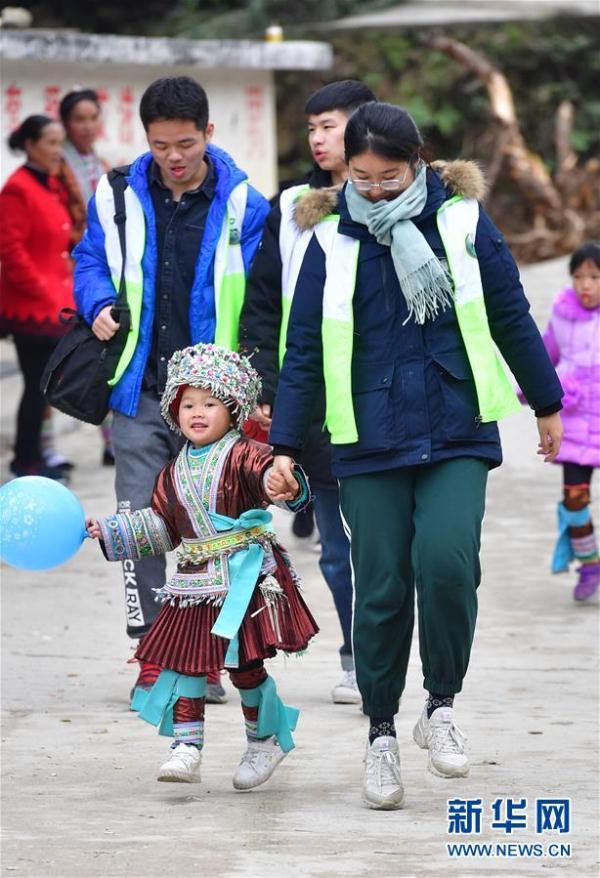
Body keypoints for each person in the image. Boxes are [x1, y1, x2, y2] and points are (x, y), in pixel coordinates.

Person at [268, 102, 564, 809]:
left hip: (454, 421)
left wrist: (547, 405)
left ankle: (440, 706)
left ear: (419, 161)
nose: (371, 189)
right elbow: (303, 347)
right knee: (381, 589)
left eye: (388, 175)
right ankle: (380, 734)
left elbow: (509, 313)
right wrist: (282, 445)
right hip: (366, 435)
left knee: (448, 561)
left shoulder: (461, 221)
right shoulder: (330, 236)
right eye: (360, 177)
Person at [73, 76, 270, 702]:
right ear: (146, 139)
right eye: (160, 146)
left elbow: (264, 295)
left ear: (209, 134)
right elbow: (89, 260)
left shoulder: (245, 204)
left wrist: (258, 384)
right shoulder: (116, 196)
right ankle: (154, 651)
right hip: (140, 386)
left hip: (213, 399)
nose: (174, 157)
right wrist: (98, 301)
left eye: (185, 143)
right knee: (139, 519)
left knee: (211, 528)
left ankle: (209, 654)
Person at [86, 343, 318, 787]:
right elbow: (163, 528)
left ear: (232, 410)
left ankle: (262, 740)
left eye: (209, 403)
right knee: (189, 664)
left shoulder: (246, 453)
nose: (197, 412)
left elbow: (274, 476)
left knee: (244, 667)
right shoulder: (171, 472)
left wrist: (279, 481)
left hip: (243, 579)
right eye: (187, 404)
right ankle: (187, 745)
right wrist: (113, 531)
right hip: (192, 582)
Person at [240, 80, 376, 706]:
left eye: (330, 125)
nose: (319, 139)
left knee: (384, 538)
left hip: (382, 398)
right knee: (334, 544)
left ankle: (385, 642)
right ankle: (356, 653)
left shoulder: (412, 201)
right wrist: (268, 386)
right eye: (312, 128)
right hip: (316, 400)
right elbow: (263, 303)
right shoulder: (294, 206)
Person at [0, 115, 74, 481]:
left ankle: (34, 456)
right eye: (50, 143)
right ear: (30, 145)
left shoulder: (50, 185)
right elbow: (11, 252)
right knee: (36, 386)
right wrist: (44, 293)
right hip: (31, 309)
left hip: (53, 303)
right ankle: (26, 460)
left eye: (60, 143)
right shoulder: (18, 189)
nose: (58, 151)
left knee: (42, 387)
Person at [536, 242, 600, 600]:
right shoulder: (563, 313)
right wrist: (532, 387)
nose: (585, 285)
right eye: (578, 277)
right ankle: (590, 563)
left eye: (594, 277)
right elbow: (546, 354)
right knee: (574, 500)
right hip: (575, 424)